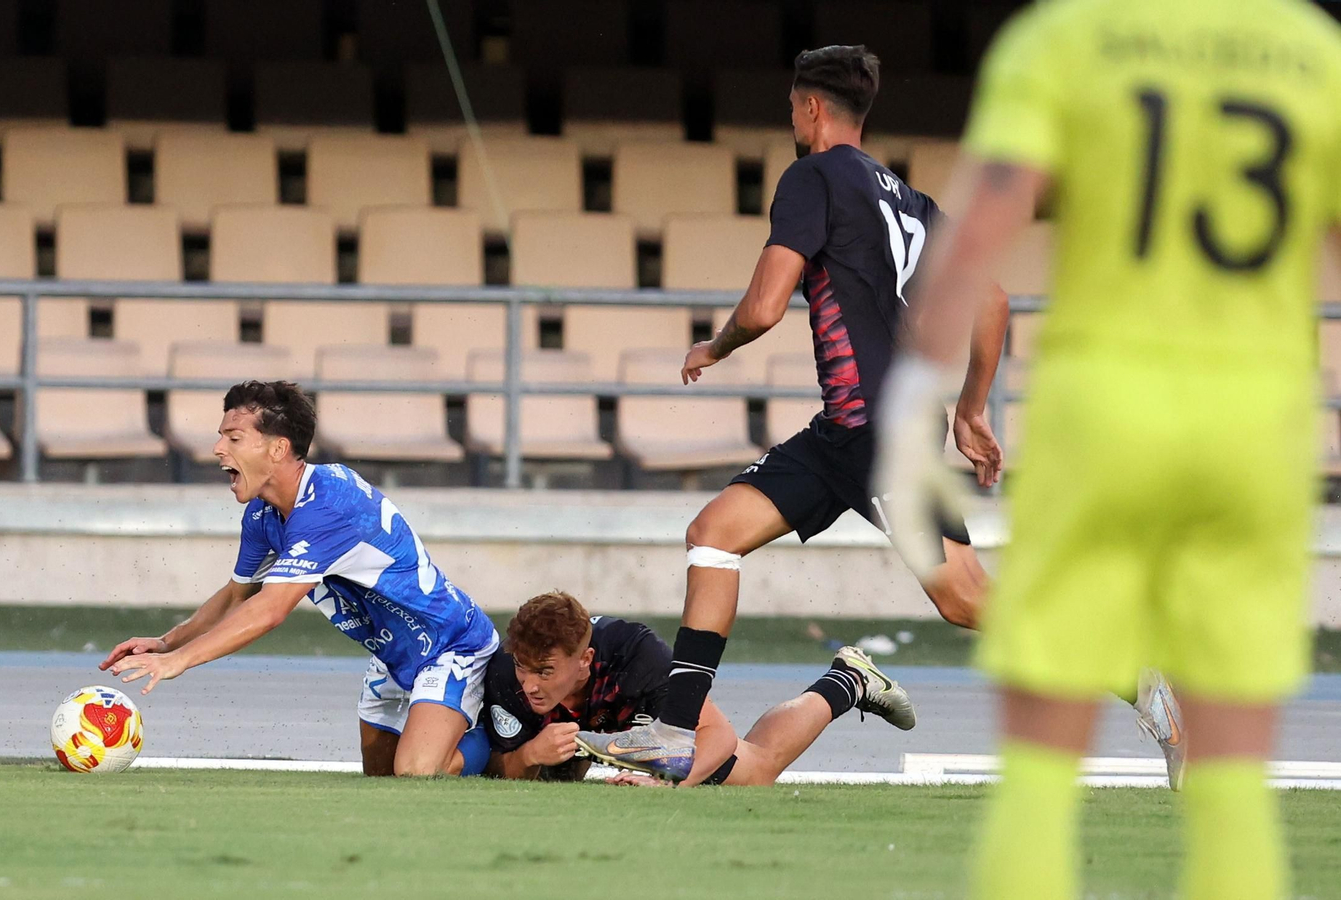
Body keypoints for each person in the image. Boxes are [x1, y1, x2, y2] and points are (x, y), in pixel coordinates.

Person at [576, 44, 1183, 786]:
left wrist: (716, 344)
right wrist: (971, 408)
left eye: (793, 110)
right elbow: (991, 299)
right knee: (714, 534)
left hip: (881, 437)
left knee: (968, 603)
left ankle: (1140, 674)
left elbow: (766, 307)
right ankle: (672, 731)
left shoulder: (811, 177)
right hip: (846, 434)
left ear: (810, 108)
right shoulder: (913, 204)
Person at [871, 0, 1341, 896]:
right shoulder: (1312, 52)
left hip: (1106, 411)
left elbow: (981, 230)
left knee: (1042, 773)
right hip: (1256, 419)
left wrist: (912, 404)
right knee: (1234, 778)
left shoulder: (1064, 38)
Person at [101, 381, 498, 777]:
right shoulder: (263, 513)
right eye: (221, 436)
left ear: (277, 448)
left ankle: (500, 743)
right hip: (393, 657)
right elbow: (238, 596)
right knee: (381, 780)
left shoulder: (329, 505)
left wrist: (178, 662)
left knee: (415, 772)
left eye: (234, 437)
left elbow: (271, 610)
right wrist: (168, 641)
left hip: (451, 644)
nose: (218, 449)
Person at [481, 591, 913, 786]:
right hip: (598, 729)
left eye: (544, 671)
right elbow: (495, 767)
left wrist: (669, 786)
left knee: (754, 772)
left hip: (643, 720)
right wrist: (527, 755)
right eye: (523, 667)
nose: (529, 684)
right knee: (551, 778)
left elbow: (719, 736)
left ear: (586, 661)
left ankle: (849, 680)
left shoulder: (637, 655)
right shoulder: (505, 673)